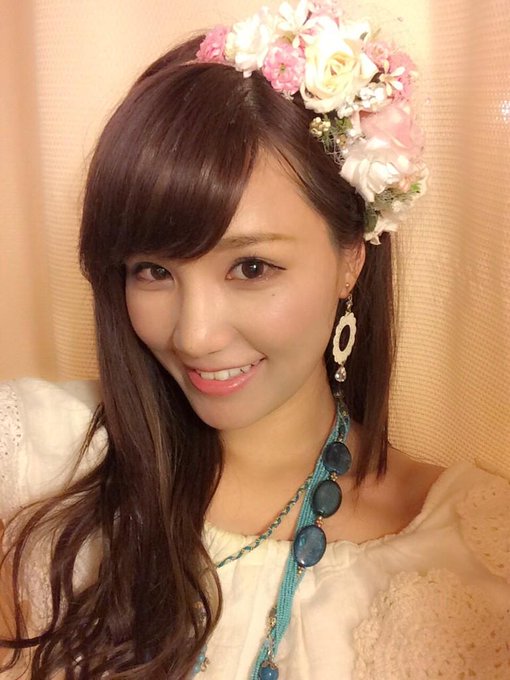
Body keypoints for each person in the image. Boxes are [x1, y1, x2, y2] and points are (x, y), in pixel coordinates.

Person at [1, 1, 509, 678]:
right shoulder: (39, 459)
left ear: (351, 259)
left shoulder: (472, 555)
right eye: (154, 271)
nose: (194, 335)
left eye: (251, 268)